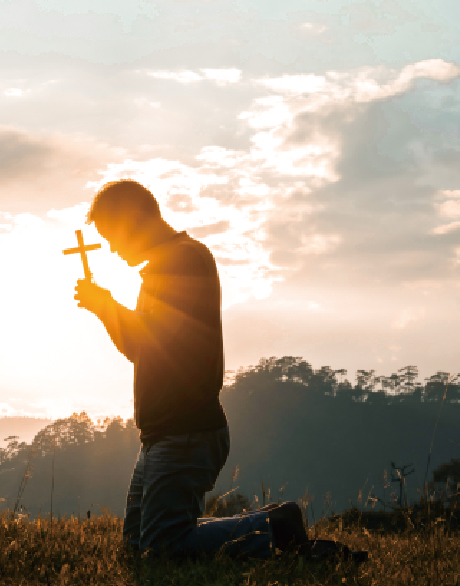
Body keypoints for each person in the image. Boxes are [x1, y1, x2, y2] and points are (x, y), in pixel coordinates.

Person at [72, 179, 306, 560]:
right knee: (139, 548)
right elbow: (139, 349)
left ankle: (274, 528)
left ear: (134, 220)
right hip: (163, 433)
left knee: (162, 548)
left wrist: (107, 305)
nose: (112, 249)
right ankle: (267, 524)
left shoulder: (181, 261)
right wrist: (104, 308)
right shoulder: (159, 270)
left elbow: (153, 341)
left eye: (112, 237)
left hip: (186, 431)